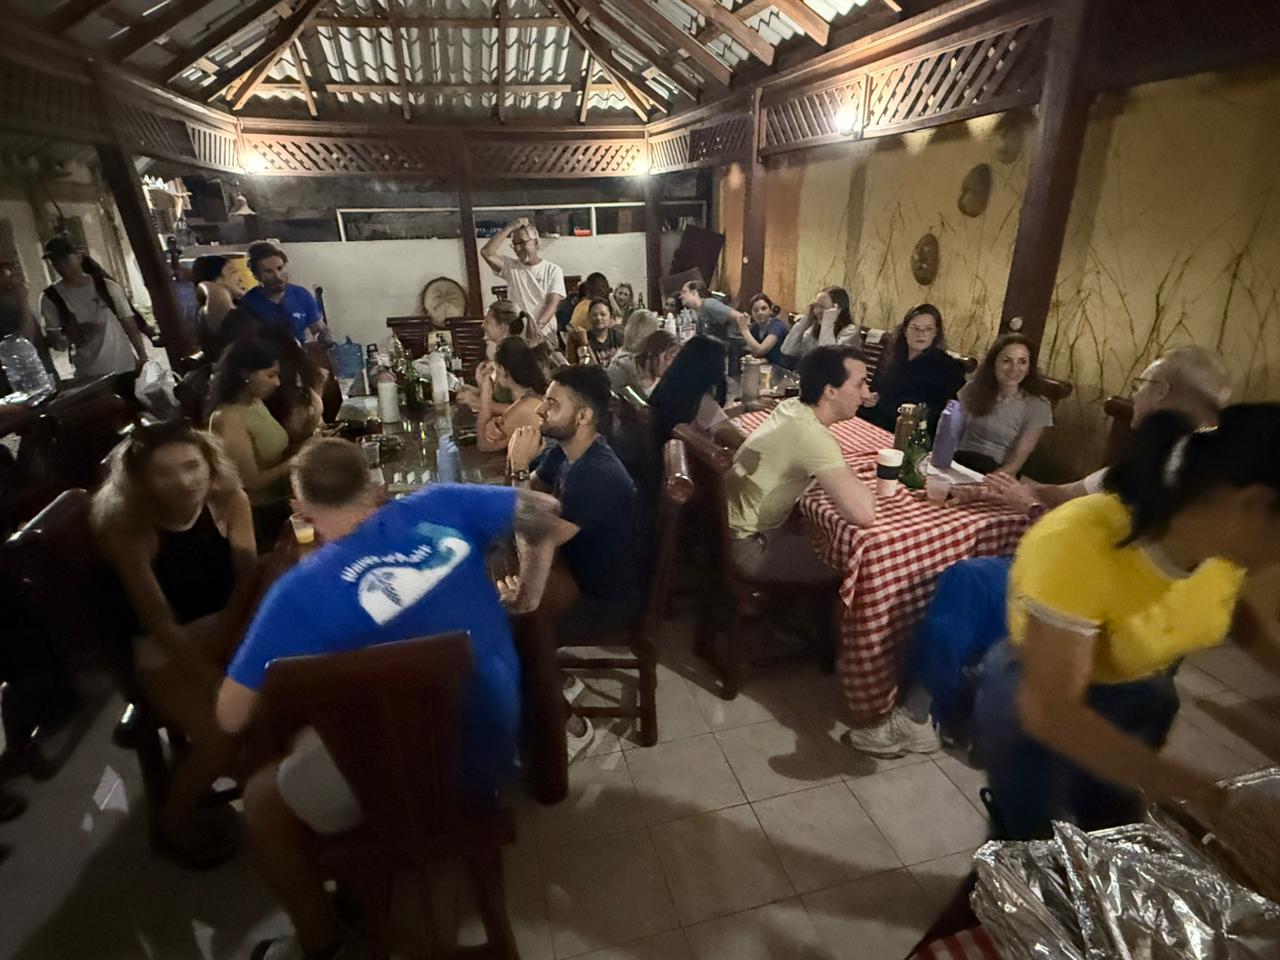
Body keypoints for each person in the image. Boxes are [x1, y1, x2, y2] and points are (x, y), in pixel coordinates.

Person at [216, 438, 570, 960]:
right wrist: (527, 596)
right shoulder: (440, 502)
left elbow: (229, 717)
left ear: (300, 508)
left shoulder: (300, 592)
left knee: (262, 799)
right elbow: (547, 512)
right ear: (374, 485)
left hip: (409, 783)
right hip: (494, 748)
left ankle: (321, 942)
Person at [973, 404, 1280, 840]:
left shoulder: (1224, 546)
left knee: (1108, 827)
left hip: (1138, 696)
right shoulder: (1080, 543)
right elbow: (1051, 710)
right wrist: (1208, 800)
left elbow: (1231, 610)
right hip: (1039, 702)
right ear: (1253, 504)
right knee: (1036, 843)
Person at [93, 419, 255, 866]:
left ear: (210, 463)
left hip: (223, 625)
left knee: (293, 688)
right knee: (225, 731)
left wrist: (229, 643)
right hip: (163, 648)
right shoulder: (127, 527)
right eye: (164, 473)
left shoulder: (231, 499)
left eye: (191, 466)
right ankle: (173, 822)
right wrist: (212, 678)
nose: (184, 482)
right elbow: (158, 622)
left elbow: (246, 582)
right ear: (140, 480)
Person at [507, 366, 644, 759]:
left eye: (553, 404)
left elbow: (534, 538)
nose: (540, 411)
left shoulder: (598, 474)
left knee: (515, 630)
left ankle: (573, 728)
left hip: (604, 597)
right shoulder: (564, 451)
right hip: (571, 571)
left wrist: (518, 467)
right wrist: (522, 476)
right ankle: (555, 680)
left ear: (583, 416)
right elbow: (529, 502)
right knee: (504, 589)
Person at [973, 347, 1232, 516]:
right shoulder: (1151, 458)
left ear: (1160, 391)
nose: (1134, 395)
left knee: (969, 573)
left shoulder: (1179, 477)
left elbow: (1101, 553)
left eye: (1140, 384)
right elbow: (1066, 494)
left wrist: (1030, 506)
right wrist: (997, 489)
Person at [726, 345, 876, 583]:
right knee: (858, 570)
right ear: (830, 391)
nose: (866, 394)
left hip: (725, 530)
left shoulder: (791, 406)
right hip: (749, 547)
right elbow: (864, 514)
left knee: (813, 528)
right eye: (860, 384)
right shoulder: (811, 435)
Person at [207, 338, 296, 547]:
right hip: (261, 515)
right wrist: (296, 461)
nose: (277, 383)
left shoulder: (255, 402)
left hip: (282, 498)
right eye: (270, 375)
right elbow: (250, 482)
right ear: (245, 374)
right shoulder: (228, 418)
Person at [39, 237, 147, 379]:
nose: (61, 265)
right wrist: (73, 334)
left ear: (79, 257)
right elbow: (57, 342)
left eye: (65, 259)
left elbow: (129, 323)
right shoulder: (51, 297)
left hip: (124, 366)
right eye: (55, 261)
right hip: (89, 374)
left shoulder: (106, 287)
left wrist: (142, 356)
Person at [858, 303, 965, 434]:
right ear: (905, 330)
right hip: (879, 419)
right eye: (915, 328)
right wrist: (874, 397)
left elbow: (942, 413)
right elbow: (878, 388)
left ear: (936, 333)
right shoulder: (894, 354)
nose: (921, 334)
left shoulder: (947, 367)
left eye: (928, 329)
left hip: (911, 429)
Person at [954, 333, 1052, 475]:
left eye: (1022, 362)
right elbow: (951, 435)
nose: (1014, 368)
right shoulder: (972, 389)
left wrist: (984, 483)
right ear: (993, 364)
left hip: (997, 473)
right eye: (1007, 361)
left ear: (1029, 368)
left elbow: (1016, 462)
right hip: (958, 463)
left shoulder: (1038, 406)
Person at [648, 335, 746, 450]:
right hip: (687, 457)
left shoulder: (669, 385)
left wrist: (746, 407)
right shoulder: (699, 400)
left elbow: (715, 416)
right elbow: (737, 441)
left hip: (658, 451)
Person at [480, 218, 565, 348]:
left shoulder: (553, 270)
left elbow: (552, 303)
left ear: (536, 242)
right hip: (516, 338)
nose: (518, 248)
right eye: (514, 244)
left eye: (522, 242)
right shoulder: (510, 267)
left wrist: (537, 327)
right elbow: (487, 253)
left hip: (543, 335)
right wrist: (511, 227)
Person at [239, 242, 330, 344]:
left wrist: (324, 336)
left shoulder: (301, 295)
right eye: (268, 271)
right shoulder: (248, 304)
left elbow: (318, 329)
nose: (277, 276)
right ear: (256, 276)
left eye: (280, 268)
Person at [477, 337, 548, 453]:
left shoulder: (522, 408)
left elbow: (484, 445)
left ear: (503, 370)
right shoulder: (538, 394)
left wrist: (485, 392)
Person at [780, 287, 860, 361]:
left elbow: (826, 360)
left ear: (838, 310)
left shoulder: (850, 331)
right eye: (815, 306)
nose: (816, 311)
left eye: (822, 307)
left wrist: (828, 323)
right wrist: (806, 320)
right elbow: (787, 350)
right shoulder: (815, 327)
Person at [192, 254, 249, 355]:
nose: (240, 278)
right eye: (233, 272)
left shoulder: (240, 306)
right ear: (215, 281)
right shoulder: (212, 311)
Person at [608, 329, 678, 400]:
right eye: (667, 356)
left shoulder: (668, 383)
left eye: (674, 358)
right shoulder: (619, 373)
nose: (670, 363)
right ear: (651, 352)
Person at [679, 281, 745, 344]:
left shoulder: (709, 305)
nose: (680, 296)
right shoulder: (697, 313)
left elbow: (740, 317)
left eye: (684, 292)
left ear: (694, 292)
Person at [735, 293, 791, 368]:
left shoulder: (777, 326)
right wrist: (747, 327)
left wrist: (744, 329)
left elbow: (760, 351)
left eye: (764, 308)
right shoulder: (755, 327)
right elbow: (752, 351)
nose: (760, 312)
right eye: (756, 310)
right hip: (765, 368)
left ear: (770, 310)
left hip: (782, 369)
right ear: (751, 313)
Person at [568, 298, 623, 366]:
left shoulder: (618, 336)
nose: (598, 318)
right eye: (594, 315)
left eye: (603, 314)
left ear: (610, 316)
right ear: (589, 316)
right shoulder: (579, 338)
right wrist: (584, 344)